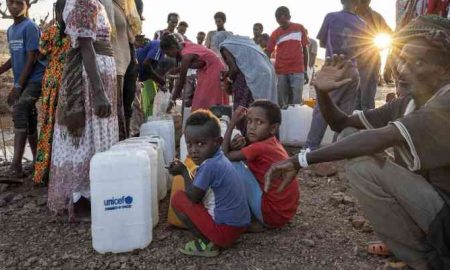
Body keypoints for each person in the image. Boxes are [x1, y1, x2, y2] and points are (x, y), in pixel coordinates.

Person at [265, 16, 450, 270]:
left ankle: (423, 262)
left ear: (445, 69)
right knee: (350, 135)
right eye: (403, 59)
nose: (403, 69)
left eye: (418, 61)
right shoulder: (409, 102)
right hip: (433, 209)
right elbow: (342, 124)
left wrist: (301, 159)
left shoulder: (446, 101)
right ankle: (412, 245)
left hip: (445, 217)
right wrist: (322, 92)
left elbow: (381, 137)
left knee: (364, 165)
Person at [48, 0, 118, 221]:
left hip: (97, 71)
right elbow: (86, 46)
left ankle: (89, 196)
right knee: (88, 134)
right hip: (90, 78)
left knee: (93, 133)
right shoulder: (82, 2)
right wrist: (98, 92)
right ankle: (81, 200)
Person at [168, 110, 250, 257]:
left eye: (200, 144)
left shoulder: (210, 166)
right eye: (189, 144)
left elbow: (193, 197)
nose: (193, 151)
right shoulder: (219, 157)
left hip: (225, 233)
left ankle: (206, 243)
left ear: (217, 142)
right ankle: (215, 236)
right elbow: (198, 189)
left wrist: (184, 172)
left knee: (178, 199)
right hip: (239, 227)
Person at [223, 101, 299, 229]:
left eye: (259, 122)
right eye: (249, 121)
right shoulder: (272, 143)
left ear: (273, 128)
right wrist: (233, 147)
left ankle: (245, 219)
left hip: (271, 214)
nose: (252, 127)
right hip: (284, 213)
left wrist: (232, 124)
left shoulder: (259, 148)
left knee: (232, 165)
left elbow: (224, 157)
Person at [305, 0, 366, 151]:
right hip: (353, 69)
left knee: (322, 108)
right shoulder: (362, 23)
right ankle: (337, 148)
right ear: (357, 3)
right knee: (345, 113)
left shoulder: (331, 17)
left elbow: (323, 42)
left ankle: (310, 148)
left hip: (334, 66)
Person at [0, 0, 46, 179]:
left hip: (35, 79)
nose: (14, 6)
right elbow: (13, 58)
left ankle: (16, 166)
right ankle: (37, 161)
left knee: (19, 110)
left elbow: (32, 58)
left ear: (27, 4)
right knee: (29, 117)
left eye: (19, 3)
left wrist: (18, 86)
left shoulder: (30, 27)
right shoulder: (11, 30)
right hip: (23, 80)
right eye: (10, 2)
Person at [33, 0, 70, 185]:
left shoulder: (50, 31)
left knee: (49, 124)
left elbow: (41, 54)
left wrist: (53, 60)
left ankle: (43, 172)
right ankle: (59, 170)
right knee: (62, 124)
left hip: (52, 78)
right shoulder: (75, 31)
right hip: (67, 79)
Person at [219, 35, 277, 132]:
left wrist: (228, 82)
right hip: (266, 73)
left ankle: (245, 134)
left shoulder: (224, 46)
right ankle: (262, 133)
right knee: (262, 106)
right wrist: (228, 74)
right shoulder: (244, 44)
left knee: (243, 107)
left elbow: (234, 69)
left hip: (250, 76)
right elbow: (241, 64)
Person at [160, 34, 229, 112]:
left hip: (214, 70)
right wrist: (177, 69)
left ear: (173, 47)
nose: (168, 56)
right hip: (207, 70)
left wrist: (171, 102)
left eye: (168, 53)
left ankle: (212, 120)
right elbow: (200, 62)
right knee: (201, 100)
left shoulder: (186, 56)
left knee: (207, 101)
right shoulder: (184, 45)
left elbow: (181, 82)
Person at [267, 6, 309, 107]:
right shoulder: (275, 33)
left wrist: (305, 70)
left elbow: (305, 49)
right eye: (278, 21)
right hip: (281, 71)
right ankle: (283, 121)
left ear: (289, 17)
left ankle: (296, 121)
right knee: (282, 102)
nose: (281, 24)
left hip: (298, 69)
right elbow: (268, 52)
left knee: (296, 101)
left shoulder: (299, 28)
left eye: (283, 20)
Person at [356, 0, 393, 110]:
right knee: (352, 97)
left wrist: (379, 47)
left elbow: (392, 36)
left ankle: (364, 123)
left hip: (371, 61)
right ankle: (352, 122)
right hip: (352, 61)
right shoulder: (350, 15)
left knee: (366, 98)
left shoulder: (376, 17)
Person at [136, 39, 165, 119]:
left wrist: (158, 82)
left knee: (137, 105)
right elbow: (146, 64)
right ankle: (134, 129)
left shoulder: (160, 50)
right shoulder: (159, 47)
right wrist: (159, 80)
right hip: (135, 73)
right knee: (135, 105)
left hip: (139, 76)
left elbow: (151, 68)